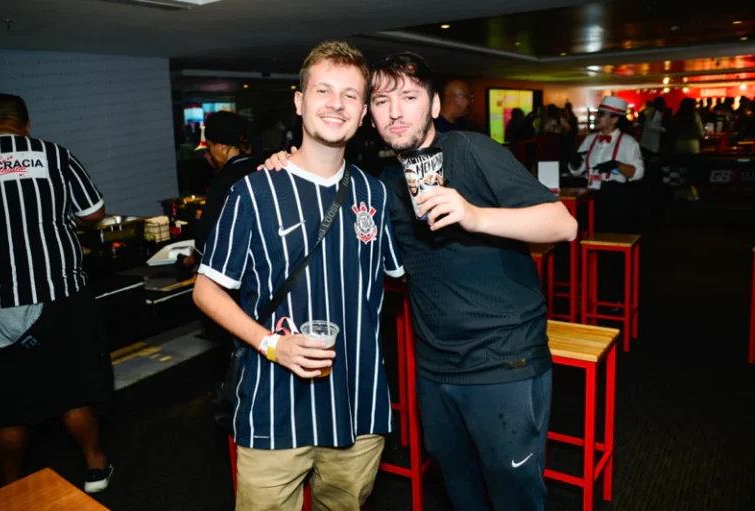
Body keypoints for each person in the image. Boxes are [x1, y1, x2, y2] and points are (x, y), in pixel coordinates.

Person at [264, 51, 578, 511]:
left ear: (433, 106)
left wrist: (474, 215)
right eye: (382, 101)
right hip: (434, 369)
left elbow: (563, 225)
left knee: (515, 499)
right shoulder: (384, 183)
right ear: (369, 114)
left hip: (504, 362)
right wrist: (287, 164)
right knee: (462, 496)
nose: (395, 112)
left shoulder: (470, 150)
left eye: (409, 98)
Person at [192, 41, 404, 511]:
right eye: (323, 90)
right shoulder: (254, 191)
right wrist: (272, 344)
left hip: (359, 406)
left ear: (364, 112)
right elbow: (206, 290)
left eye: (350, 95)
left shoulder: (374, 193)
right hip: (274, 407)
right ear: (299, 101)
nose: (336, 104)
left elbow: (401, 273)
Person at [0, 94, 114, 492]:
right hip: (57, 293)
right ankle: (95, 468)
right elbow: (93, 213)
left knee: (4, 405)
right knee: (73, 388)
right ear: (25, 125)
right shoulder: (54, 155)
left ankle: (12, 487)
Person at [177, 111, 257, 280]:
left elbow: (208, 231)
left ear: (221, 147)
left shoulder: (224, 179)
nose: (209, 153)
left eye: (210, 146)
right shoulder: (259, 167)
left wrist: (188, 261)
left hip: (236, 267)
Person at [569, 96, 645, 233]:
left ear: (614, 119)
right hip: (590, 193)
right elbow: (578, 170)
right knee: (588, 232)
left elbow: (638, 173)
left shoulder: (628, 142)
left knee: (610, 234)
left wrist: (617, 165)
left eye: (601, 114)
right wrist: (574, 163)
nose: (596, 117)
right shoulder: (590, 139)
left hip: (614, 195)